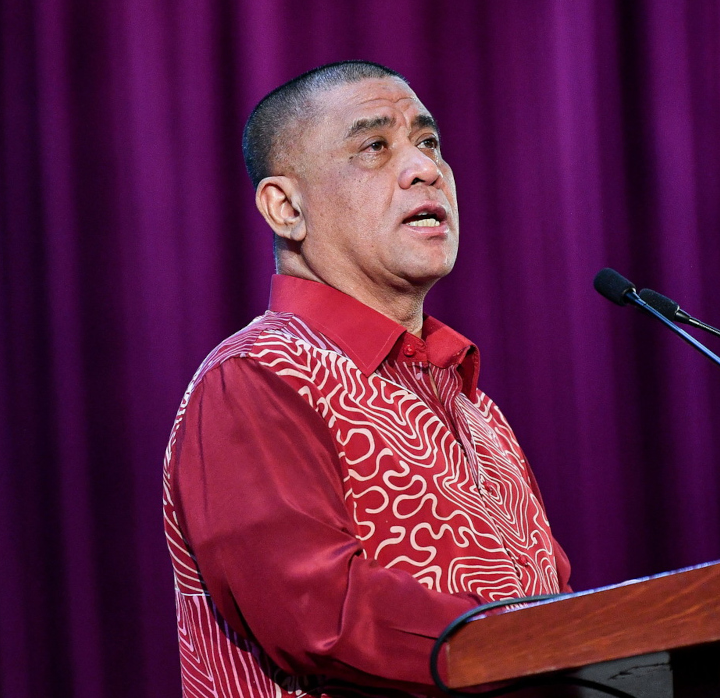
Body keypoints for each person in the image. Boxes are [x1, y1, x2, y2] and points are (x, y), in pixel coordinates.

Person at [163, 60, 571, 698]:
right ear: (286, 207)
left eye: (429, 142)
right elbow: (316, 613)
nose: (424, 168)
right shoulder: (256, 378)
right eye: (375, 147)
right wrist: (541, 645)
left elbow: (561, 610)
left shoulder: (478, 413)